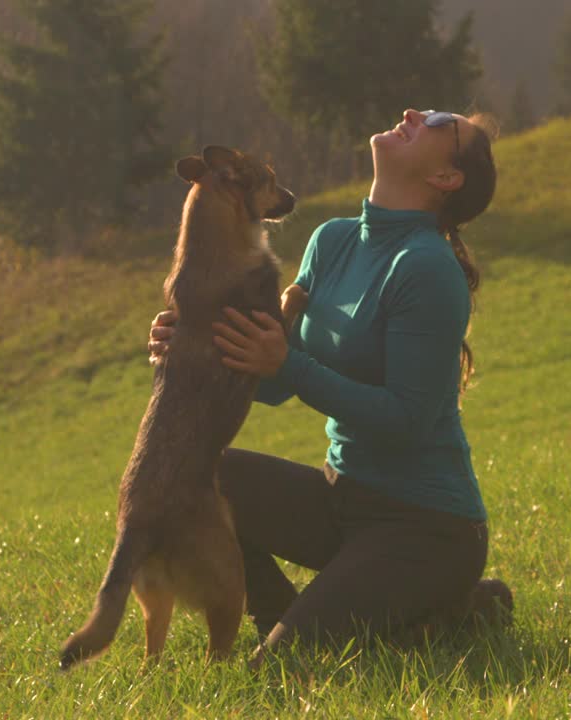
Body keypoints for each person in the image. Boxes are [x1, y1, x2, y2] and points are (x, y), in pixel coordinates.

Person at [148, 108, 512, 665]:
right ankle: (289, 617)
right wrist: (190, 347)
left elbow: (406, 421)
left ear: (446, 178)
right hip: (341, 501)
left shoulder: (427, 268)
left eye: (441, 122)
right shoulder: (332, 241)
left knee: (280, 673)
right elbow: (266, 382)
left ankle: (441, 606)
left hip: (427, 530)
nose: (415, 112)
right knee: (198, 477)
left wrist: (289, 365)